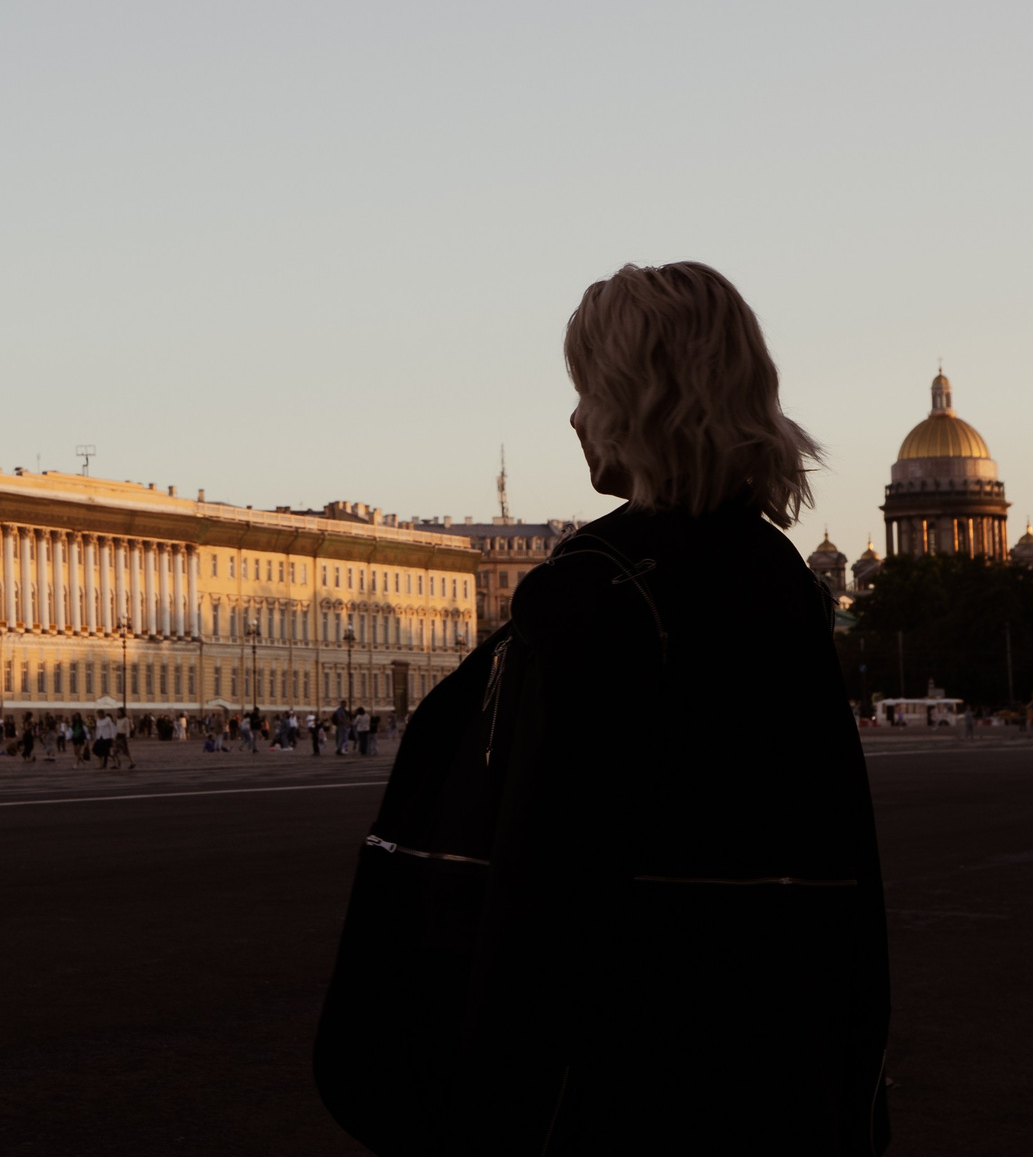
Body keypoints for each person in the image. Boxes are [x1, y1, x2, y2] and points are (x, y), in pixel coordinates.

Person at [316, 262, 889, 1154]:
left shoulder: (597, 591)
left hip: (616, 1079)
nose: (576, 416)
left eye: (589, 389)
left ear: (642, 396)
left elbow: (541, 885)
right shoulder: (778, 577)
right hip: (764, 1065)